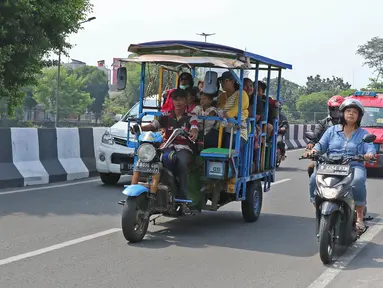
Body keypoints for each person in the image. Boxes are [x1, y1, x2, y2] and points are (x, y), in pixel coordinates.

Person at [305, 98, 376, 233]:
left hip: (354, 165)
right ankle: (318, 210)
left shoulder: (363, 134)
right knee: (314, 179)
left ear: (359, 116)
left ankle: (359, 216)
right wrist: (314, 151)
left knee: (358, 181)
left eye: (354, 112)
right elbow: (321, 145)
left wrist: (369, 154)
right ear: (342, 113)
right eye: (348, 111)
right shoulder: (331, 130)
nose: (351, 114)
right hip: (329, 165)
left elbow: (370, 148)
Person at [132, 89, 199, 209]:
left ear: (186, 101)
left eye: (181, 99)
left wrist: (193, 133)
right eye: (175, 99)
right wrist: (139, 127)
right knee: (156, 159)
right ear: (172, 101)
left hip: (184, 148)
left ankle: (183, 198)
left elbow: (195, 127)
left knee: (181, 162)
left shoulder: (191, 117)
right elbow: (153, 125)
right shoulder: (166, 115)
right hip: (168, 146)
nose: (178, 102)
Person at [306, 95, 345, 177]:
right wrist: (311, 143)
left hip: (344, 156)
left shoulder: (348, 124)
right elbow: (316, 133)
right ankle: (315, 189)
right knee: (311, 168)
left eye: (338, 109)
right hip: (324, 155)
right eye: (333, 109)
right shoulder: (323, 123)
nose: (335, 111)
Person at [216, 71, 249, 149]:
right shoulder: (221, 96)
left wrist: (225, 115)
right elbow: (218, 109)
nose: (222, 83)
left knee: (231, 145)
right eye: (221, 81)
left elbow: (237, 109)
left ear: (232, 81)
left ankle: (232, 161)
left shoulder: (241, 94)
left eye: (225, 81)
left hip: (238, 132)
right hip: (223, 129)